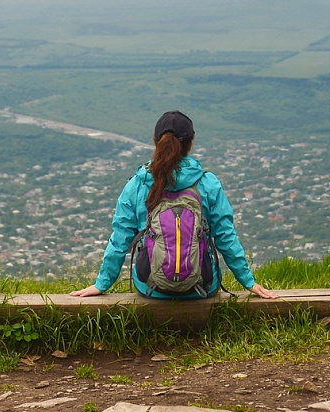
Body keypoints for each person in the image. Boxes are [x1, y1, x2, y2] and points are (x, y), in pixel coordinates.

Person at [70, 110, 279, 299]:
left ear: (155, 141)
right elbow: (225, 237)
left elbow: (120, 238)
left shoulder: (138, 183)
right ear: (191, 142)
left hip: (151, 288)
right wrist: (249, 282)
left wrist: (102, 284)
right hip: (201, 287)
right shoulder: (207, 183)